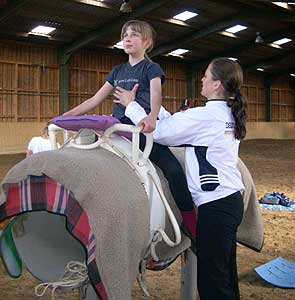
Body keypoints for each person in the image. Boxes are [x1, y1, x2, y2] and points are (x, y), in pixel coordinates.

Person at [115, 57, 247, 300]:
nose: (203, 79)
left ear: (217, 84)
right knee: (225, 274)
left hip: (216, 207)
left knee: (212, 284)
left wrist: (131, 106)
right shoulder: (225, 112)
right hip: (229, 202)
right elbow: (176, 124)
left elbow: (163, 133)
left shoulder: (206, 116)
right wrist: (153, 109)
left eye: (206, 75)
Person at [63, 20, 197, 245]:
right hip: (117, 128)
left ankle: (191, 223)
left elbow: (156, 94)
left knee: (173, 169)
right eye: (125, 34)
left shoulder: (151, 68)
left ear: (147, 42)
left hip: (140, 128)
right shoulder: (117, 71)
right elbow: (95, 99)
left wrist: (152, 117)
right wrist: (67, 115)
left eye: (134, 35)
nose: (127, 38)